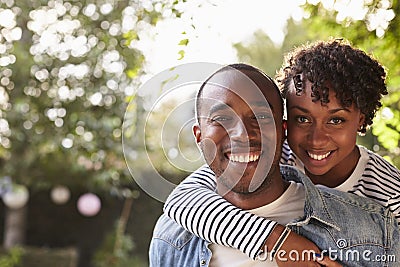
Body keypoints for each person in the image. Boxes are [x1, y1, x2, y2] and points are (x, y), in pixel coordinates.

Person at [163, 39, 400, 263]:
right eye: (302, 119)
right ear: (284, 124)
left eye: (336, 121)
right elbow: (181, 200)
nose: (316, 140)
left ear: (361, 120)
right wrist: (275, 240)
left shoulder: (387, 189)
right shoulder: (276, 152)